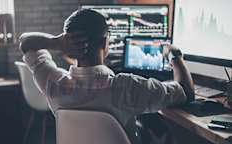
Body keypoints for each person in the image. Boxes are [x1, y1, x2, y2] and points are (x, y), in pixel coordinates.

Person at [19, 8, 194, 139]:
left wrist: (55, 42)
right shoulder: (126, 87)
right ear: (104, 43)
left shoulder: (53, 84)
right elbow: (186, 91)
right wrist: (175, 55)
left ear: (68, 46)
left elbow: (25, 42)